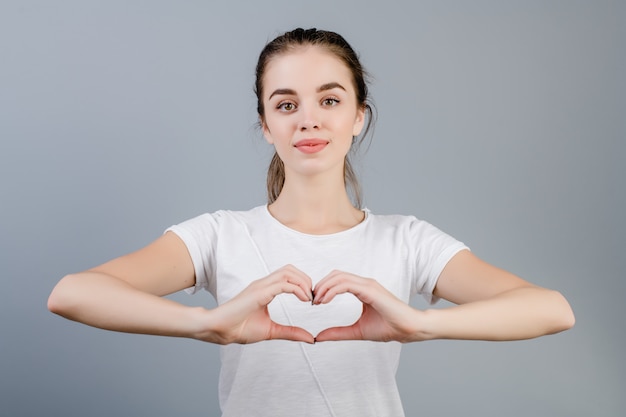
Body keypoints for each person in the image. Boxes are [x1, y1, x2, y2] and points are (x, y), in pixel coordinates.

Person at [48, 28, 575, 416]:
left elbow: (551, 310)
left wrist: (421, 325)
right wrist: (208, 324)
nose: (309, 118)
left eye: (329, 99)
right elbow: (73, 293)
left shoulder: (406, 240)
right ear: (265, 124)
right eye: (285, 104)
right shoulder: (219, 235)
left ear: (358, 115)